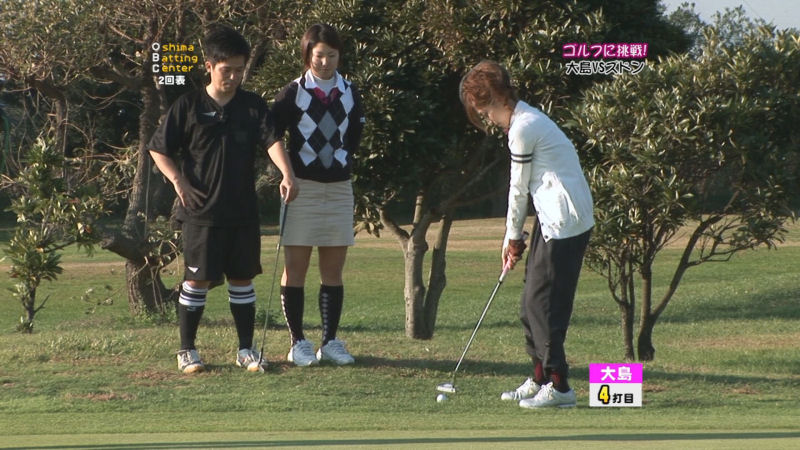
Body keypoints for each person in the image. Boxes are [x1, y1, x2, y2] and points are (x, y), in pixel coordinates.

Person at [148, 25, 297, 374]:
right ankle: (187, 350)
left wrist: (287, 173)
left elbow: (272, 141)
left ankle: (246, 350)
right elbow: (158, 149)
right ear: (209, 66)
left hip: (242, 212)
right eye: (226, 69)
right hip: (200, 212)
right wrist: (178, 182)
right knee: (196, 281)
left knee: (242, 280)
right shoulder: (187, 106)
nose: (233, 77)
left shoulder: (252, 105)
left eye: (239, 70)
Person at [459, 60, 594, 408]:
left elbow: (518, 190)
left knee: (544, 306)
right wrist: (516, 237)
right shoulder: (526, 120)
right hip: (553, 219)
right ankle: (540, 377)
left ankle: (560, 387)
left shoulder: (524, 128)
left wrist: (512, 237)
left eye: (485, 111)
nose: (488, 119)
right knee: (529, 304)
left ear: (497, 99)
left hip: (565, 222)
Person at [269, 23, 365, 366]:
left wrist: (338, 163)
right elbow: (271, 135)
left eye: (331, 55)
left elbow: (353, 138)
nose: (325, 62)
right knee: (295, 269)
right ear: (307, 55)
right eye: (319, 55)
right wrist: (287, 173)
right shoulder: (293, 92)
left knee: (333, 271)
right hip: (302, 188)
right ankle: (298, 342)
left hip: (338, 188)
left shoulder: (350, 91)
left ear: (340, 56)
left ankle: (330, 341)